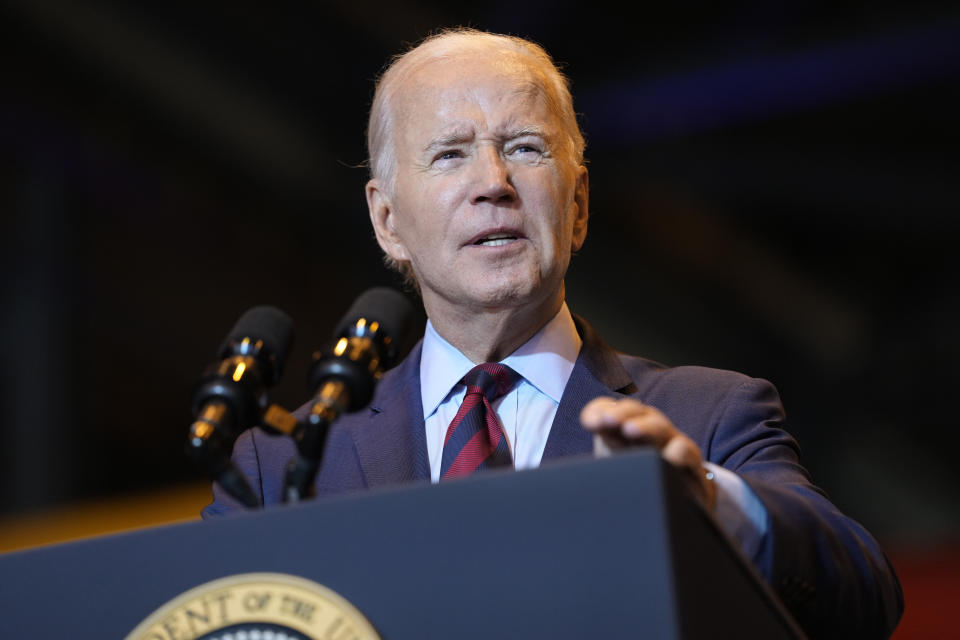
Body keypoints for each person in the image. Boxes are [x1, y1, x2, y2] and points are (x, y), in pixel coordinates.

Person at [204, 28, 903, 638]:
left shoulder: (708, 416)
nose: (495, 182)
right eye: (450, 154)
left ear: (578, 205)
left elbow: (863, 600)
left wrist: (709, 504)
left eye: (526, 147)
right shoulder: (283, 465)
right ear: (388, 221)